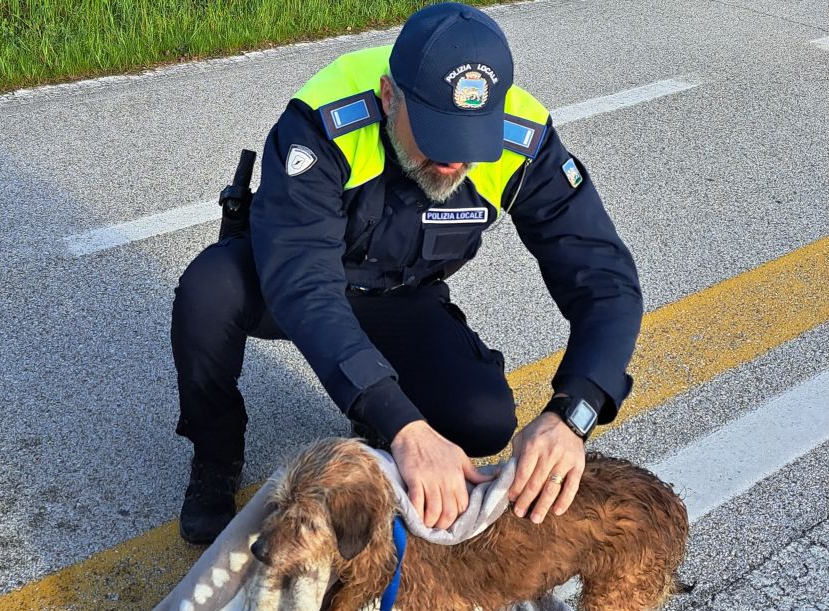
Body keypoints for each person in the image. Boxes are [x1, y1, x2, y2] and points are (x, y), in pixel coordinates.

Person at [171, 2, 643, 545]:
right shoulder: (323, 120)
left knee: (483, 420)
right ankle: (215, 451)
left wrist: (573, 412)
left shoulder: (523, 138)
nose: (454, 163)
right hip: (294, 282)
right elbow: (305, 287)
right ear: (389, 96)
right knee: (209, 291)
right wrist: (405, 424)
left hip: (400, 295)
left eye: (471, 143)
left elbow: (605, 278)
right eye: (438, 137)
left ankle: (375, 428)